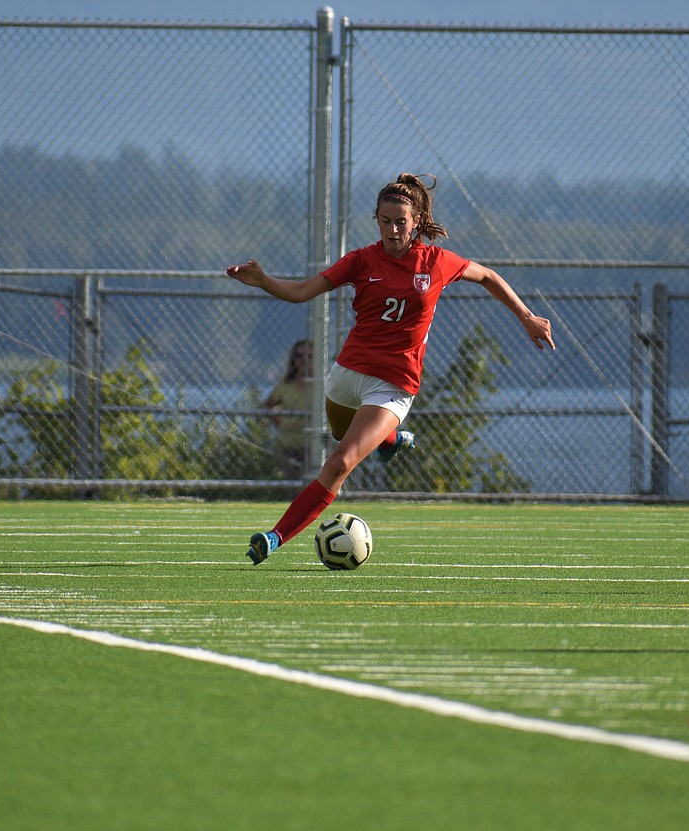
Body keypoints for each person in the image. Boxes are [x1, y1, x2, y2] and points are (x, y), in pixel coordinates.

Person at [228, 172, 555, 564]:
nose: (394, 229)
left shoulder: (435, 262)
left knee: (341, 461)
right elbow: (301, 292)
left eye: (402, 221)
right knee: (341, 434)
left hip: (393, 387)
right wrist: (264, 281)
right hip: (347, 376)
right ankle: (391, 440)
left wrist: (526, 316)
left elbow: (486, 275)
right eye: (386, 221)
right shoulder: (362, 260)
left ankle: (275, 536)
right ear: (377, 220)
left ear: (416, 221)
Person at [264, 339, 311, 481]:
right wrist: (280, 424)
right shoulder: (286, 385)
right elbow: (268, 404)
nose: (303, 360)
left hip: (315, 446)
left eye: (309, 356)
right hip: (289, 445)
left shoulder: (323, 384)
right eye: (298, 356)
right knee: (294, 485)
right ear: (293, 359)